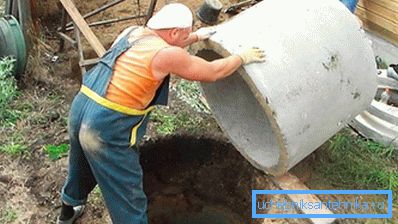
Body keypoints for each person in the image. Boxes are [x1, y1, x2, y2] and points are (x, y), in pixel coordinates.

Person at [56, 3, 265, 224]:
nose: (186, 37)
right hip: (105, 125)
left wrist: (195, 36)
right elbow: (213, 71)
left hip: (82, 107)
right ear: (174, 32)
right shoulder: (165, 54)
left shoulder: (133, 32)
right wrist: (241, 57)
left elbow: (170, 39)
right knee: (127, 192)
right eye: (185, 33)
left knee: (80, 164)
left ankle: (69, 211)